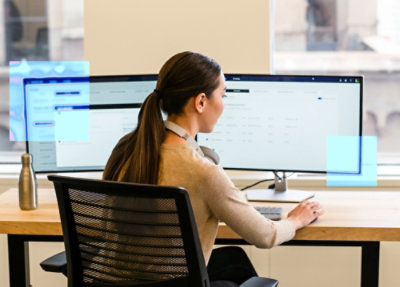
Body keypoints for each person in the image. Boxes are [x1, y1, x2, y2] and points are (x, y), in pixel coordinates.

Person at [103, 51, 324, 286]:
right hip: (171, 280)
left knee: (233, 259)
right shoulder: (203, 172)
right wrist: (296, 220)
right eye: (223, 95)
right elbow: (265, 235)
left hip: (113, 280)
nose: (223, 104)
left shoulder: (128, 147)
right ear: (200, 102)